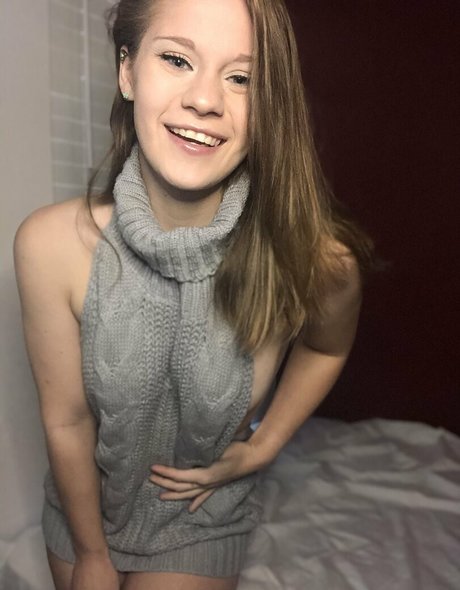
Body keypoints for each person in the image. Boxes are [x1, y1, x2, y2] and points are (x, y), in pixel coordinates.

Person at [14, 0, 374, 588]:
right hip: (84, 515)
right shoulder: (49, 245)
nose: (205, 99)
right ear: (127, 72)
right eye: (177, 60)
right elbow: (67, 421)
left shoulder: (311, 259)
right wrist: (91, 554)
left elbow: (326, 347)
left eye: (242, 78)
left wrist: (263, 447)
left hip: (202, 520)